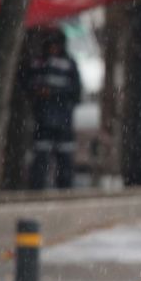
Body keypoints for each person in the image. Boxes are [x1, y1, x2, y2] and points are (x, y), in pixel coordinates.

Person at [23, 28, 81, 189]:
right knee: (41, 155)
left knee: (64, 156)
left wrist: (55, 94)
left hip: (63, 118)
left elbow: (75, 92)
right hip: (42, 118)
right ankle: (37, 188)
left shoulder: (68, 64)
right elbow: (27, 84)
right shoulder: (37, 63)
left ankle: (65, 188)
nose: (53, 48)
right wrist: (39, 93)